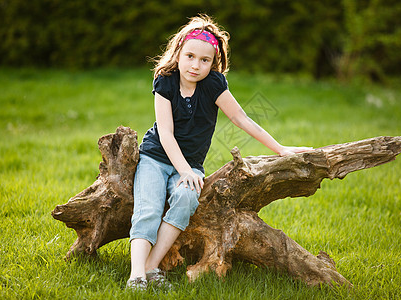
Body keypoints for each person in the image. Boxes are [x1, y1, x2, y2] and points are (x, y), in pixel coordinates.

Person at [126, 14, 313, 291]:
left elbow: (241, 119)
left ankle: (152, 266)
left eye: (205, 60)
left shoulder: (214, 85)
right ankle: (136, 276)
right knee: (148, 209)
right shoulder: (165, 81)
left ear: (214, 63)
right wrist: (183, 170)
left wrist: (280, 149)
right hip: (156, 158)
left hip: (191, 164)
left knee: (186, 198)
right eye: (189, 56)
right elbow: (165, 133)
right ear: (178, 52)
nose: (195, 65)